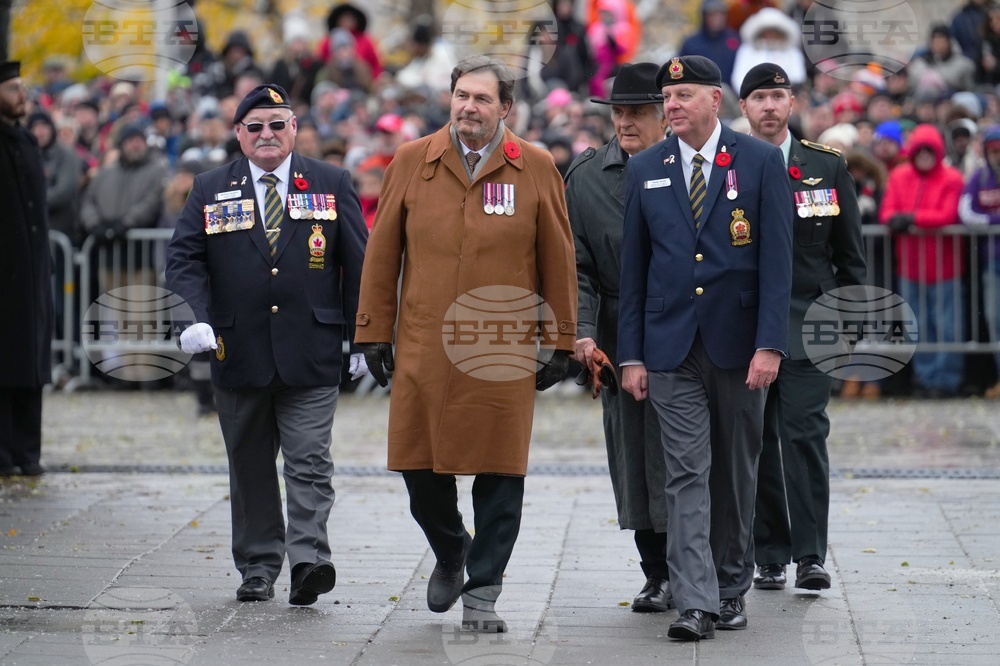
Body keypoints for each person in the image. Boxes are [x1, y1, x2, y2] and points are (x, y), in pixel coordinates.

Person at [355, 55, 577, 633]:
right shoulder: (411, 161)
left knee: (501, 475)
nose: (468, 107)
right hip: (425, 344)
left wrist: (560, 339)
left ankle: (483, 592)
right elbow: (382, 255)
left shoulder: (534, 166)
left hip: (501, 347)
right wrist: (373, 329)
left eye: (482, 98)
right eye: (461, 96)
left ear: (506, 108)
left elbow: (559, 259)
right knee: (417, 469)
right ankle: (452, 550)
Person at [165, 83, 369, 605]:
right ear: (238, 134)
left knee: (309, 461)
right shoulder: (211, 187)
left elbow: (359, 265)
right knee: (250, 465)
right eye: (254, 126)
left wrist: (366, 337)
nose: (267, 135)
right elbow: (184, 259)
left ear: (294, 129)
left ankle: (309, 561)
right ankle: (258, 565)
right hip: (238, 350)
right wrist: (192, 317)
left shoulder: (329, 180)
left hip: (312, 348)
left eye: (277, 124)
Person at [618, 55, 792, 640]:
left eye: (684, 95)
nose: (671, 105)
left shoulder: (761, 162)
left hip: (740, 346)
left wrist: (770, 344)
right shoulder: (646, 168)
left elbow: (777, 265)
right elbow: (634, 271)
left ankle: (731, 584)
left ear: (715, 100)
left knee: (735, 472)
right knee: (685, 473)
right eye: (667, 96)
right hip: (670, 347)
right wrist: (632, 354)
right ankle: (695, 600)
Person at [737, 63, 867, 594]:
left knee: (806, 438)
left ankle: (811, 553)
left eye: (778, 96)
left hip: (812, 325)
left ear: (792, 104)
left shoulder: (825, 167)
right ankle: (769, 552)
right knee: (758, 442)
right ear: (742, 107)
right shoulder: (727, 166)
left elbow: (850, 258)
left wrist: (849, 327)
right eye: (759, 97)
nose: (769, 106)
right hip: (746, 328)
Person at [564, 62, 672, 614]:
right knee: (632, 457)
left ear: (665, 114)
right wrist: (583, 335)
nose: (626, 122)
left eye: (638, 112)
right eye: (619, 113)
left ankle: (705, 566)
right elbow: (576, 267)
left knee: (690, 453)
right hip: (617, 335)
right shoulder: (586, 177)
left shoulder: (688, 167)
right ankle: (655, 570)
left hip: (685, 330)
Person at [881, 124, 965, 398]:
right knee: (917, 327)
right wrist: (904, 219)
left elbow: (947, 215)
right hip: (910, 266)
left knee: (947, 327)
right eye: (920, 151)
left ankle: (947, 380)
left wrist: (912, 219)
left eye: (930, 151)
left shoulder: (952, 178)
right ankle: (927, 379)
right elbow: (887, 214)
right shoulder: (899, 176)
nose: (925, 156)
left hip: (945, 267)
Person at [0, 61, 52, 477]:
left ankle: (27, 451)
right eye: (13, 88)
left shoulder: (27, 142)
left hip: (31, 272)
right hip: (5, 274)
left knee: (31, 362)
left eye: (23, 87)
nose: (23, 95)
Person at [959, 125, 1000, 398]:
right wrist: (994, 221)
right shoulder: (979, 177)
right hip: (992, 261)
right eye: (993, 150)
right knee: (995, 320)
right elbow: (965, 212)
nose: (997, 155)